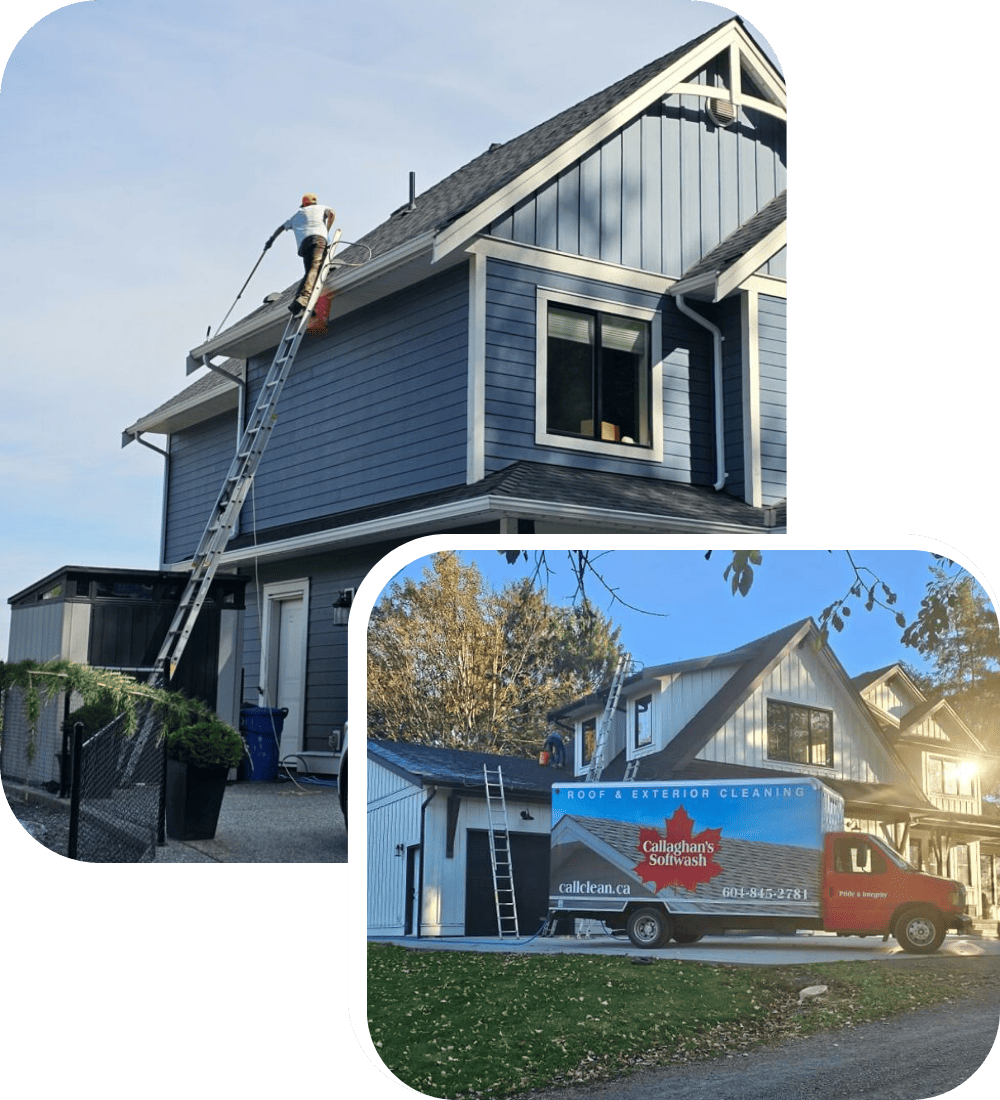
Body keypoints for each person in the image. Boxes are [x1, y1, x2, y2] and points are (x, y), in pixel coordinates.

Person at [265, 193, 336, 314]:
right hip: (319, 239)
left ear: (303, 204)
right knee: (315, 268)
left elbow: (281, 228)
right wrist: (326, 229)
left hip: (304, 244)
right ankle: (304, 298)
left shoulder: (296, 216)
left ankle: (297, 302)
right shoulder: (321, 208)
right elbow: (332, 214)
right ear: (314, 202)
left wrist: (271, 240)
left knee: (309, 271)